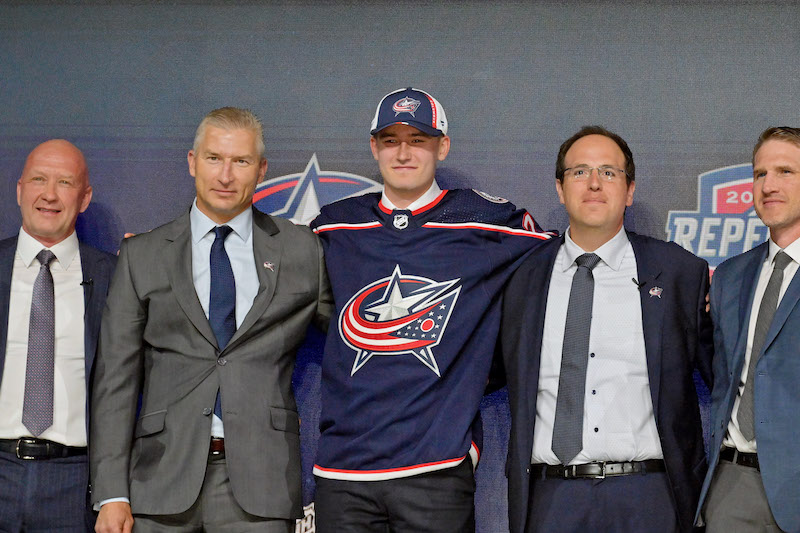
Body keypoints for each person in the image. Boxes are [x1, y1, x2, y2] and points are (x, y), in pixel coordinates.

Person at [309, 87, 552, 533]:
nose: (403, 152)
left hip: (435, 470)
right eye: (390, 139)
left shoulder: (487, 222)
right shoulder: (334, 225)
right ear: (374, 147)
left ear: (443, 146)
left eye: (418, 139)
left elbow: (573, 257)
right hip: (343, 470)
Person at [90, 107, 333, 533]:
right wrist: (112, 491)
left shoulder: (302, 251)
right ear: (191, 162)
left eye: (240, 161)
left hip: (262, 484)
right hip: (159, 481)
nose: (225, 175)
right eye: (213, 158)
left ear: (261, 170)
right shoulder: (142, 255)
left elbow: (357, 342)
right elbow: (116, 379)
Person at [501, 126, 713, 533]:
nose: (594, 183)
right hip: (550, 499)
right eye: (579, 172)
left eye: (609, 173)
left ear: (630, 190)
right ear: (560, 189)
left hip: (650, 496)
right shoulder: (521, 276)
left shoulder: (681, 273)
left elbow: (723, 378)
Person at [0, 139, 116, 532]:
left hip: (75, 481)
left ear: (84, 198)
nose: (49, 194)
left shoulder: (116, 277)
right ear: (19, 190)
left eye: (65, 183)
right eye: (38, 180)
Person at [696, 126, 800, 533]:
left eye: (785, 171)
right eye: (760, 174)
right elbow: (721, 372)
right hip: (732, 484)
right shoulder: (729, 276)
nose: (769, 185)